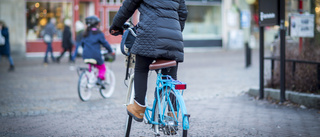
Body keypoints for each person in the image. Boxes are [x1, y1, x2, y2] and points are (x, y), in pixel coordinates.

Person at [109, 0, 188, 122]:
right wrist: (174, 32)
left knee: (141, 68)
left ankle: (139, 108)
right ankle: (173, 115)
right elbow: (183, 13)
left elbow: (128, 7)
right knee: (171, 78)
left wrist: (116, 25)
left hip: (149, 36)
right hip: (174, 38)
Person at [82, 15, 114, 87]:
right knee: (102, 68)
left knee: (91, 65)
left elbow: (82, 44)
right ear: (97, 24)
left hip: (85, 55)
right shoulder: (99, 33)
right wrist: (110, 50)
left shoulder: (86, 33)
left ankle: (89, 77)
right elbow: (105, 43)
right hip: (95, 55)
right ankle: (99, 79)